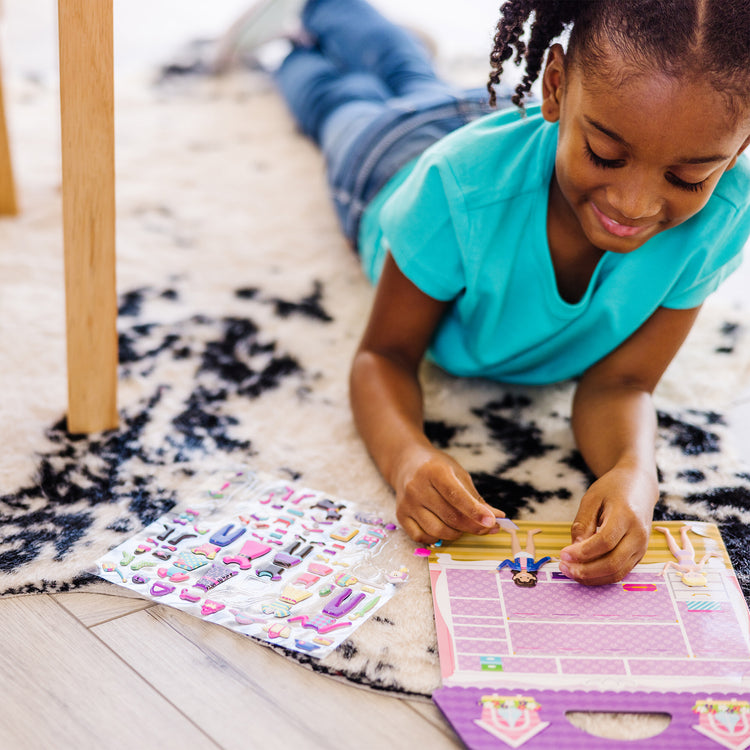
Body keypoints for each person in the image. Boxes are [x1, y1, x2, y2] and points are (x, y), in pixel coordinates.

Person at [235, 0, 750, 585]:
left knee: (411, 81)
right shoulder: (456, 189)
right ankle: (301, 33)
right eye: (605, 155)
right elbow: (383, 357)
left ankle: (400, 55)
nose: (633, 205)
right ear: (553, 88)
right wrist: (409, 457)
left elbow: (623, 383)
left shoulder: (725, 216)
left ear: (738, 150)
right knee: (340, 103)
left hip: (484, 130)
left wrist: (634, 471)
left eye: (687, 178)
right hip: (391, 162)